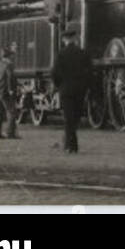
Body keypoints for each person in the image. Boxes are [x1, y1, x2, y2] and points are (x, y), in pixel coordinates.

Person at [51, 26, 92, 154]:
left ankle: (70, 145)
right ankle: (71, 144)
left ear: (64, 40)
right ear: (75, 38)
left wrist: (59, 86)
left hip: (66, 90)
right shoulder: (83, 53)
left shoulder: (61, 54)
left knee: (68, 118)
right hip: (80, 90)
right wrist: (85, 86)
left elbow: (54, 73)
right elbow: (90, 72)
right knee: (75, 118)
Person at [0, 45, 20, 140]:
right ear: (9, 56)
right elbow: (10, 77)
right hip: (6, 92)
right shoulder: (9, 65)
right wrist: (11, 89)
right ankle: (10, 133)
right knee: (11, 112)